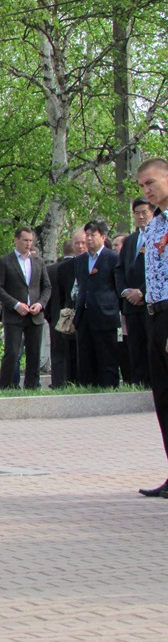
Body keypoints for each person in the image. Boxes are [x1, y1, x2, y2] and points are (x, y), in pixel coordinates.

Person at [136, 159, 168, 497]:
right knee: (163, 398)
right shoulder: (154, 226)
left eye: (151, 182)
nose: (146, 190)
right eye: (142, 186)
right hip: (155, 315)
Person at [0, 227, 51, 389]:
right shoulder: (4, 261)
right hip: (14, 315)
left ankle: (32, 385)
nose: (28, 244)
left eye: (30, 240)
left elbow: (46, 287)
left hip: (35, 314)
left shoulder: (38, 262)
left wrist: (40, 304)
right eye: (25, 240)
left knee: (34, 353)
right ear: (16, 240)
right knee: (12, 352)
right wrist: (16, 304)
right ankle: (8, 386)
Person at [72, 221, 120, 388]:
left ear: (103, 237)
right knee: (85, 357)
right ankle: (87, 388)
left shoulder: (112, 257)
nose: (89, 239)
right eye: (88, 235)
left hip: (105, 315)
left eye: (93, 235)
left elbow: (117, 286)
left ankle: (109, 388)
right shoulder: (80, 260)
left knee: (107, 357)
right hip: (84, 315)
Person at [115, 198, 154, 386]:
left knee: (152, 344)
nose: (140, 217)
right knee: (135, 345)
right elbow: (119, 268)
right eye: (137, 213)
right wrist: (125, 291)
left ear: (152, 213)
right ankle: (138, 382)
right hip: (130, 304)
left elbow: (159, 269)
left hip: (150, 301)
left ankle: (154, 382)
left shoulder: (158, 237)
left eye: (144, 212)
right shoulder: (130, 240)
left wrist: (142, 292)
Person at [47, 234, 83, 388]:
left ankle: (58, 382)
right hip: (73, 316)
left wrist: (49, 316)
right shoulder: (75, 268)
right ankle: (75, 381)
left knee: (57, 353)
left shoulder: (49, 270)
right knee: (75, 351)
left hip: (56, 317)